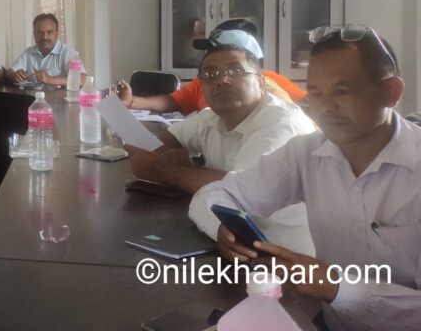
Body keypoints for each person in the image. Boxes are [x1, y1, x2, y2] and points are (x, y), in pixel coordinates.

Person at [198, 25, 421, 331]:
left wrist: (337, 287)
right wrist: (226, 230)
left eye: (342, 91)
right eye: (315, 93)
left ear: (390, 92)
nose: (325, 107)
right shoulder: (308, 152)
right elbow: (216, 193)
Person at [123, 29, 316, 254]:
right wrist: (172, 161)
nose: (222, 80)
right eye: (210, 74)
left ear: (261, 83)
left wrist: (163, 169)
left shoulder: (279, 123)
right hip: (238, 245)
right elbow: (161, 143)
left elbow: (239, 192)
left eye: (235, 71)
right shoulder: (211, 117)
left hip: (290, 258)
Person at [115, 19, 306, 115]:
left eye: (233, 68)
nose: (222, 80)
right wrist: (131, 101)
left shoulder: (272, 84)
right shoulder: (205, 85)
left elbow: (308, 106)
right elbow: (173, 102)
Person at [4, 14, 83, 87]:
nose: (45, 37)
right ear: (34, 34)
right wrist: (14, 75)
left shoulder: (67, 52)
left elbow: (83, 80)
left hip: (60, 98)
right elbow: (9, 72)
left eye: (49, 32)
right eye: (40, 32)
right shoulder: (29, 52)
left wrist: (49, 79)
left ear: (56, 34)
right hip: (33, 97)